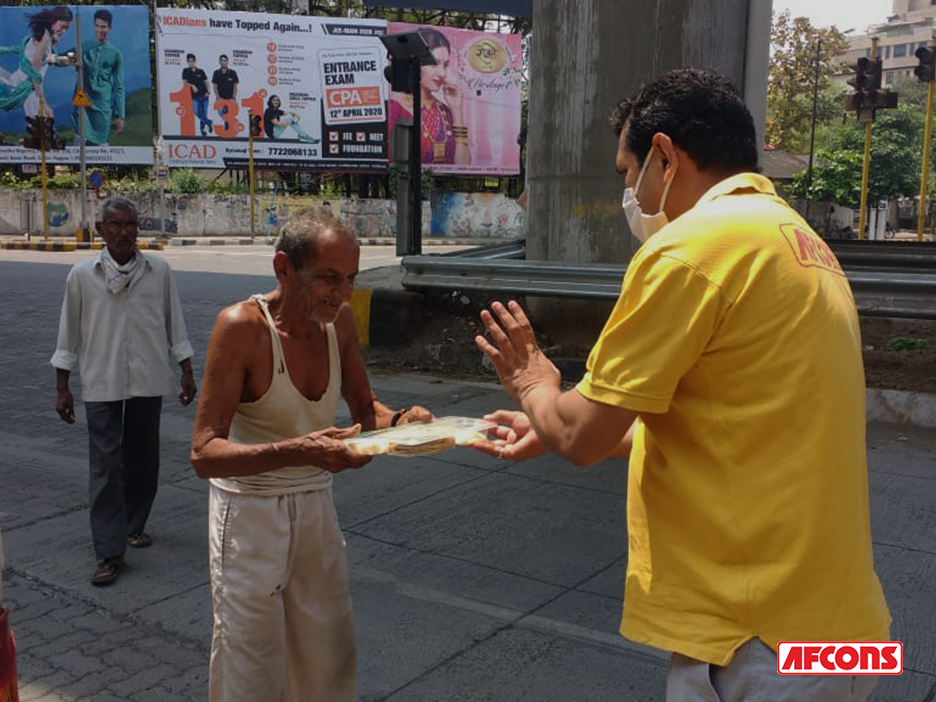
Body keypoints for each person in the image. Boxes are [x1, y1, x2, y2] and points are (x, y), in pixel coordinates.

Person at [474, 68, 891, 701]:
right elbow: (731, 433)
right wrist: (548, 428)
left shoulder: (692, 247)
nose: (629, 194)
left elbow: (581, 436)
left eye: (625, 171)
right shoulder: (795, 240)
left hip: (757, 641)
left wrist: (537, 386)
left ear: (664, 156)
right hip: (839, 636)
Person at [189, 208, 430, 702]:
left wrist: (404, 423)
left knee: (327, 656)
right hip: (248, 516)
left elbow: (366, 409)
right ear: (283, 267)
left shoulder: (337, 325)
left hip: (315, 509)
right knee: (250, 664)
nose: (341, 294)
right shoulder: (241, 327)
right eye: (327, 278)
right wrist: (298, 451)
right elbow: (204, 453)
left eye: (350, 279)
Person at [51, 196, 197, 587]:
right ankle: (110, 551)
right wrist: (62, 386)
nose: (124, 232)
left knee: (143, 459)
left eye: (130, 224)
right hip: (101, 381)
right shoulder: (82, 275)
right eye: (115, 225)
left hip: (148, 379)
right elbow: (69, 334)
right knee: (104, 466)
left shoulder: (158, 270)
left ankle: (133, 523)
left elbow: (175, 324)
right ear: (100, 229)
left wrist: (186, 369)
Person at [388, 27, 469, 166]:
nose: (442, 73)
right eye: (433, 64)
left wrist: (456, 110)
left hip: (442, 186)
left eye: (445, 65)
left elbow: (462, 166)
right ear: (414, 64)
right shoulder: (395, 109)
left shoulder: (445, 112)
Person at [0, 6, 72, 117]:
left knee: (43, 123)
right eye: (62, 27)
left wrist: (52, 45)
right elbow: (34, 73)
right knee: (42, 122)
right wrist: (44, 102)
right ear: (53, 21)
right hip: (28, 87)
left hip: (28, 85)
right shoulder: (44, 38)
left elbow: (44, 58)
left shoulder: (46, 36)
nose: (64, 31)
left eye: (67, 28)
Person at [70, 9, 125, 146]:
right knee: (79, 145)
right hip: (82, 103)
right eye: (97, 26)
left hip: (102, 107)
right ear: (94, 25)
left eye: (103, 27)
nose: (100, 30)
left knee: (101, 149)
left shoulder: (115, 54)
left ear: (110, 28)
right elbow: (63, 59)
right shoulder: (83, 46)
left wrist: (120, 116)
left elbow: (119, 86)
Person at [182, 53, 212, 136]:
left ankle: (202, 129)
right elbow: (185, 83)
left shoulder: (201, 71)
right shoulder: (186, 71)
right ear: (187, 62)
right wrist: (192, 85)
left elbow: (207, 82)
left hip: (204, 95)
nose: (191, 63)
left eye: (192, 61)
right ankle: (209, 122)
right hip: (195, 96)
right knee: (196, 112)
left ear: (195, 61)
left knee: (204, 113)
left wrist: (208, 92)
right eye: (189, 61)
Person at [211, 54, 238, 131]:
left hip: (230, 99)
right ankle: (227, 121)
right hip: (221, 99)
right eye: (222, 60)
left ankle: (228, 125)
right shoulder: (216, 73)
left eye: (225, 61)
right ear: (219, 62)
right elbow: (215, 86)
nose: (223, 62)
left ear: (227, 62)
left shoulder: (232, 73)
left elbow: (235, 86)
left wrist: (233, 97)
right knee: (221, 113)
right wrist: (217, 97)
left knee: (230, 113)